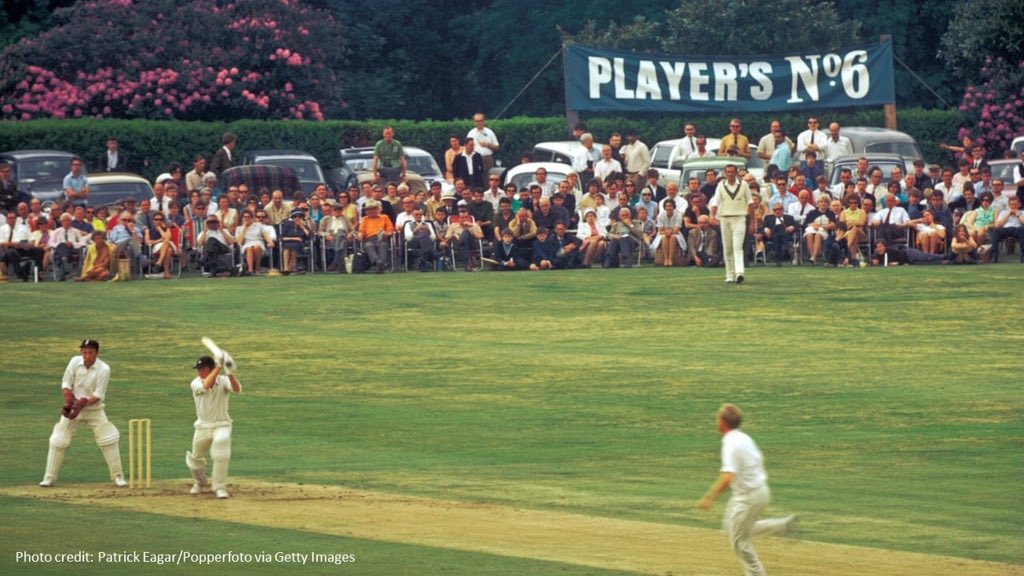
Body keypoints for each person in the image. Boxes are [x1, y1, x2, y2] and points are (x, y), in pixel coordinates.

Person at [698, 404, 797, 576]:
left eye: (717, 418)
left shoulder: (730, 444)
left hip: (747, 498)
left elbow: (728, 477)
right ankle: (783, 526)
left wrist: (709, 498)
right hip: (761, 491)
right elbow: (759, 458)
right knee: (732, 528)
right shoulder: (744, 438)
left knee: (739, 542)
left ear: (723, 422)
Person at [40, 339, 127, 488]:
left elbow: (99, 394)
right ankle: (49, 478)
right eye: (84, 352)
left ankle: (118, 476)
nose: (86, 356)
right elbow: (66, 383)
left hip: (94, 410)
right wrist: (68, 400)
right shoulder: (74, 362)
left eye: (90, 352)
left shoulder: (104, 369)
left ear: (97, 353)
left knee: (109, 438)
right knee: (58, 440)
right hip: (74, 407)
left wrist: (83, 403)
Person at [186, 354, 241, 499]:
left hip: (222, 424)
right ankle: (199, 482)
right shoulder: (195, 383)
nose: (199, 372)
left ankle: (219, 487)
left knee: (221, 447)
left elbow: (237, 389)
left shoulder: (223, 381)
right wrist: (218, 367)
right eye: (198, 369)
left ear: (209, 369)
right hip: (202, 427)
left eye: (202, 369)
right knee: (195, 461)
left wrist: (229, 373)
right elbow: (206, 386)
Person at [709, 164, 754, 283]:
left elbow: (750, 203)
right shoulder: (721, 185)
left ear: (736, 173)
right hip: (725, 219)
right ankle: (729, 274)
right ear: (725, 173)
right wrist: (712, 215)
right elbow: (715, 202)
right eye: (728, 172)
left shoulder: (744, 185)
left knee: (737, 246)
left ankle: (739, 272)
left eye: (732, 172)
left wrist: (752, 223)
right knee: (727, 248)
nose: (730, 174)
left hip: (739, 218)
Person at [357, 199, 394, 273]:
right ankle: (378, 263)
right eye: (367, 210)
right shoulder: (364, 219)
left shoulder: (384, 217)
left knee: (382, 245)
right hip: (369, 239)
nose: (369, 211)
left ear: (377, 209)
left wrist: (386, 233)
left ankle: (381, 265)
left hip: (382, 238)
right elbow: (361, 231)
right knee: (368, 245)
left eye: (372, 209)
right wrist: (360, 234)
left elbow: (391, 230)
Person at [763, 201, 797, 266]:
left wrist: (791, 227)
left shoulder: (789, 217)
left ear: (783, 210)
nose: (777, 211)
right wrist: (766, 229)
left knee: (779, 235)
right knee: (778, 231)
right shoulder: (768, 218)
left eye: (779, 209)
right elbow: (763, 227)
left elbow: (796, 225)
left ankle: (777, 259)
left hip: (786, 235)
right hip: (772, 236)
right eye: (775, 210)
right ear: (773, 211)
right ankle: (789, 247)